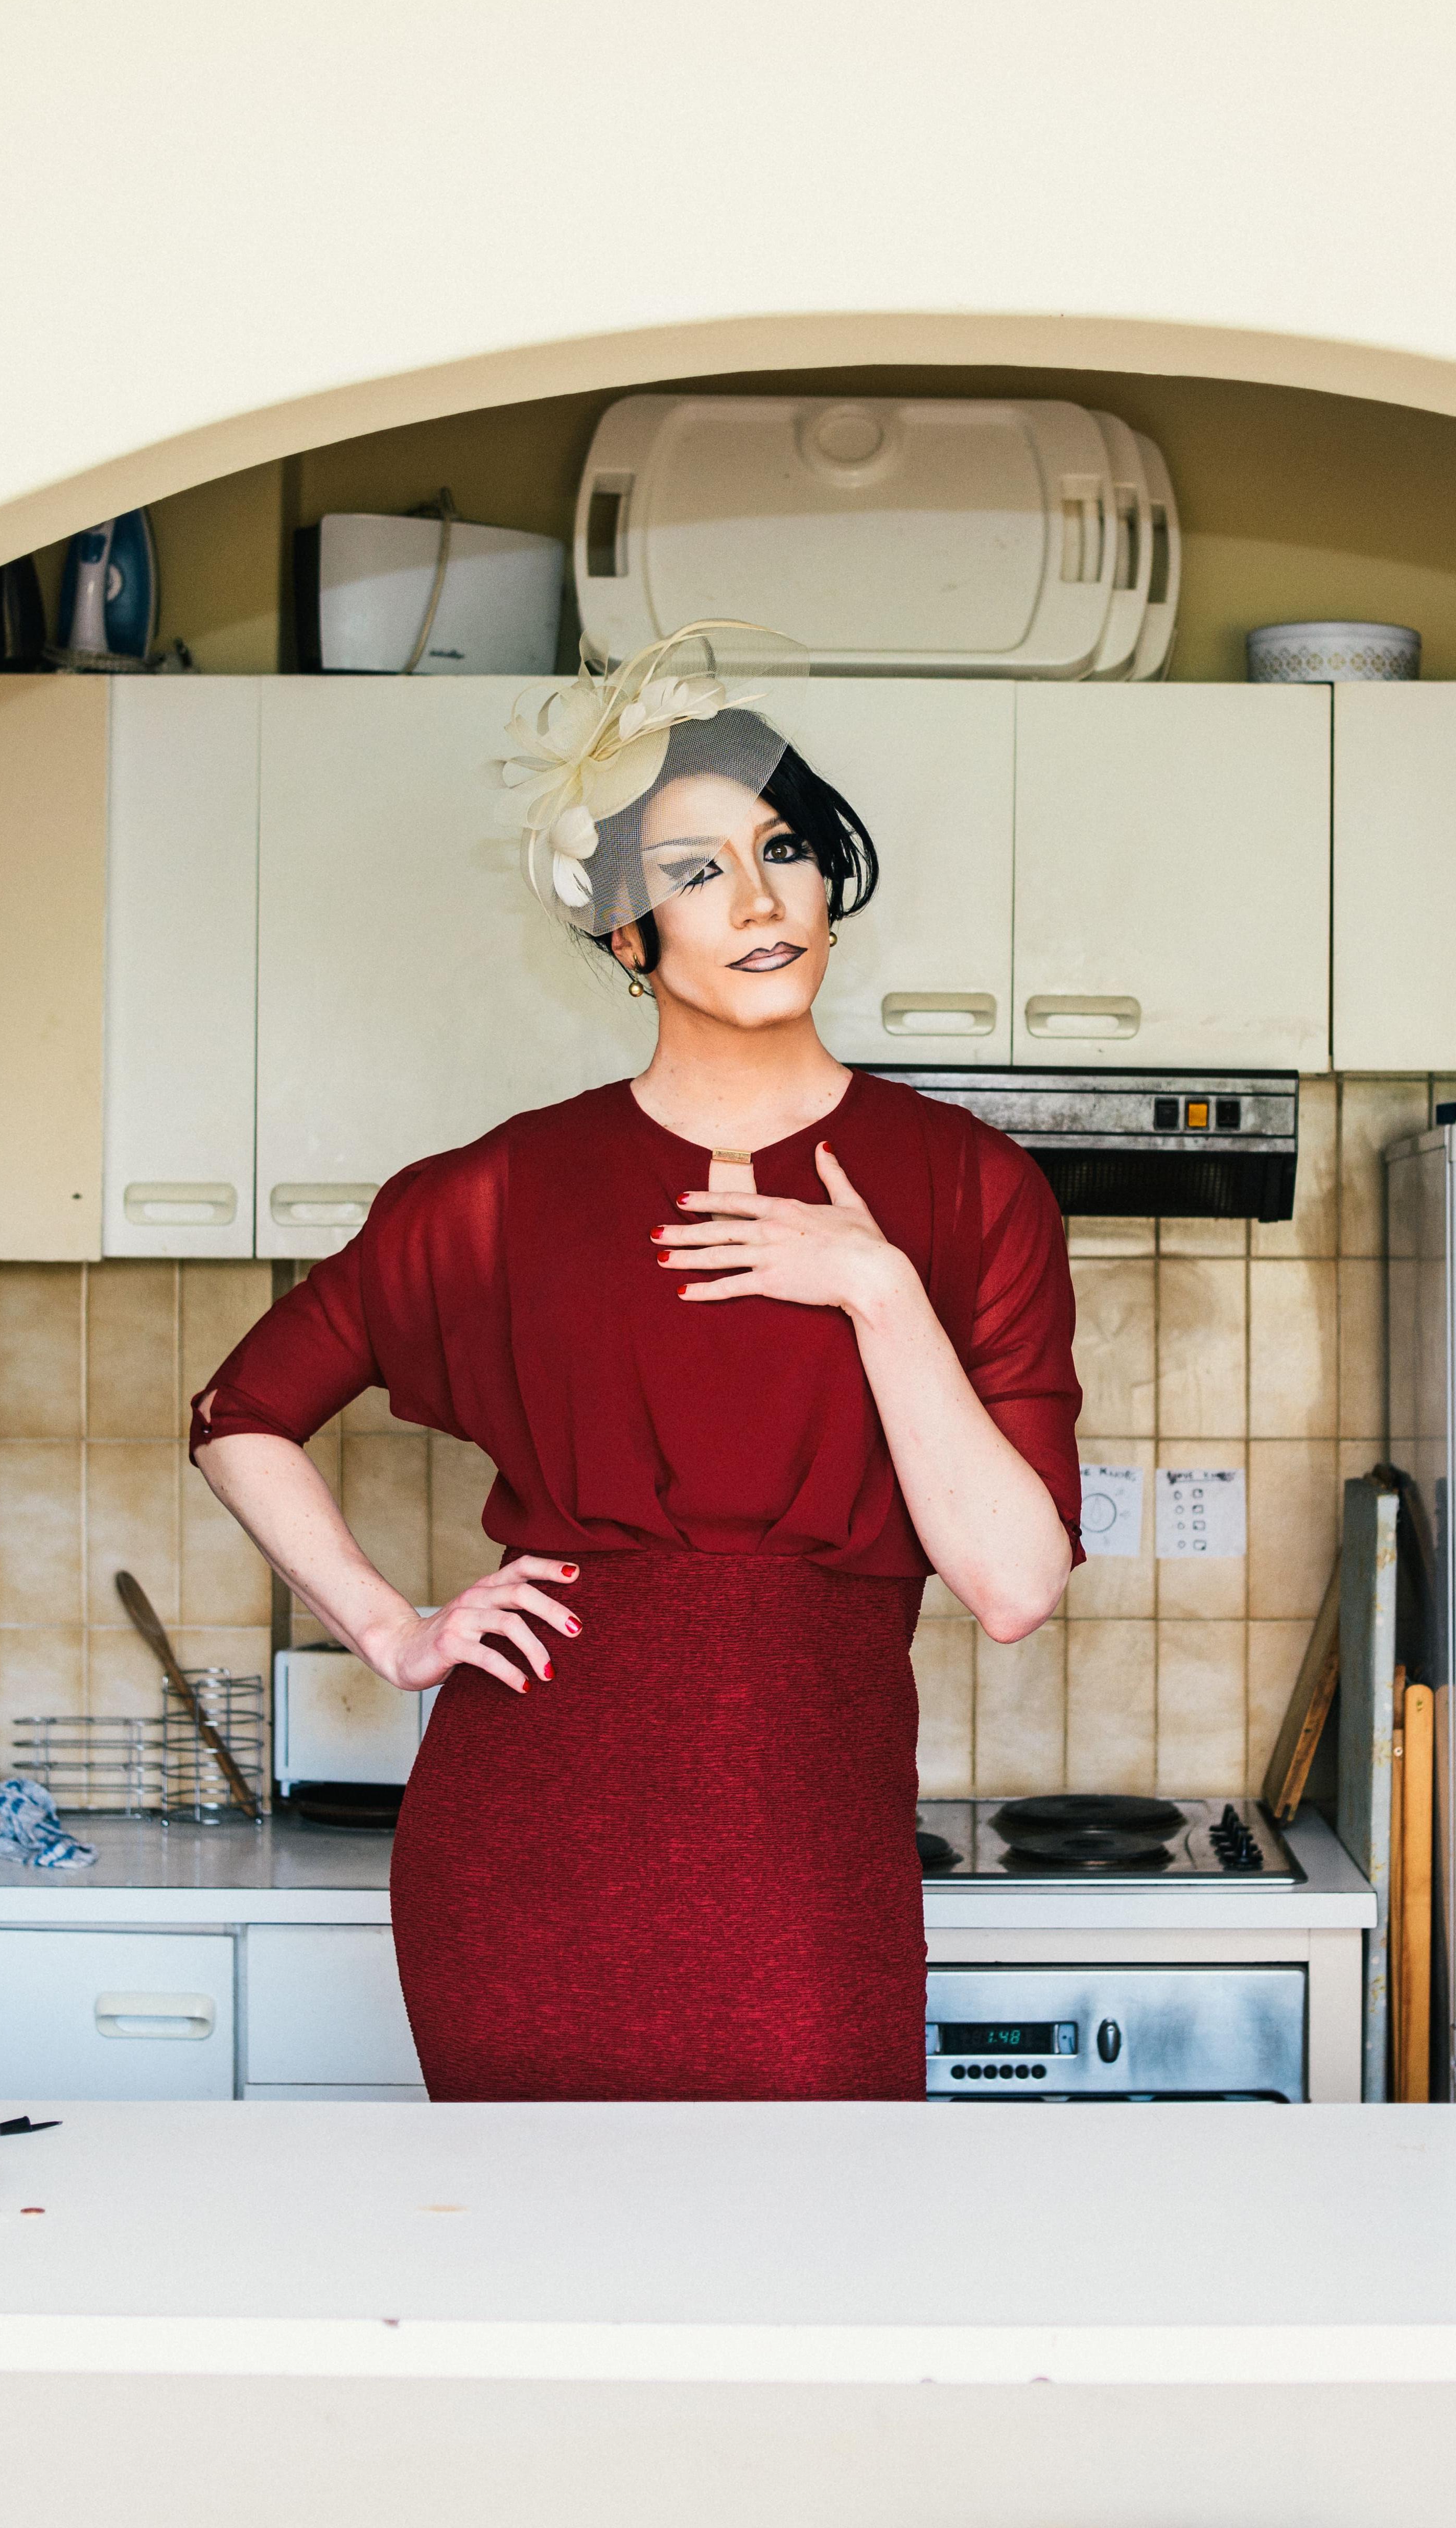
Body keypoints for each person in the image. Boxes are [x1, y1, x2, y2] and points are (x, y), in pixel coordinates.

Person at [190, 622, 1082, 2102]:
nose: (756, 897)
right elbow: (241, 1414)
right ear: (626, 935)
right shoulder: (497, 1193)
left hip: (811, 1848)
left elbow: (1015, 1586)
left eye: (783, 847)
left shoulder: (967, 1188)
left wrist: (874, 1288)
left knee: (811, 2276)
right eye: (693, 872)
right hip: (528, 1838)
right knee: (537, 2284)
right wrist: (393, 1632)